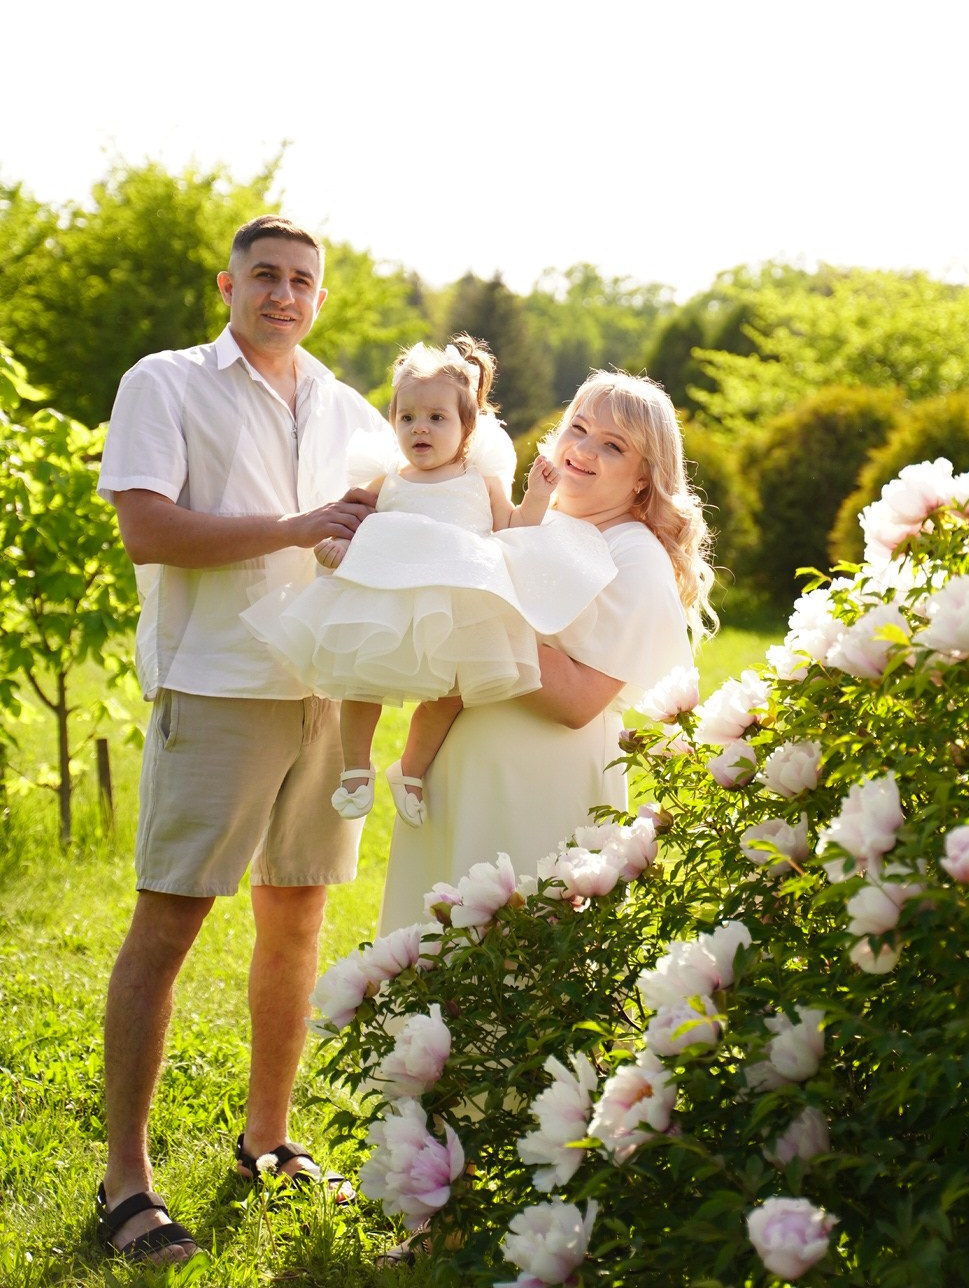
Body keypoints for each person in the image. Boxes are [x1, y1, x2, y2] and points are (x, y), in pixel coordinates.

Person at [94, 215, 389, 1264]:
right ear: (228, 282)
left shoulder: (354, 411)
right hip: (216, 684)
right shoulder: (166, 382)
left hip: (324, 690)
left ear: (321, 296)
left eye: (303, 279)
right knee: (167, 925)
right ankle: (125, 1181)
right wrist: (298, 525)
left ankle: (266, 1138)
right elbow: (148, 526)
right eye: (265, 274)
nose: (283, 292)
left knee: (297, 918)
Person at [377, 369, 714, 935]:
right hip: (457, 775)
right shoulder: (536, 522)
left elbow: (579, 700)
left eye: (613, 446)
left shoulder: (635, 556)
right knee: (433, 969)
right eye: (577, 429)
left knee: (511, 970)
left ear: (642, 479)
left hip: (537, 789)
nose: (583, 451)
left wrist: (478, 610)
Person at [241, 335, 618, 828]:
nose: (420, 428)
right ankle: (355, 767)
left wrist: (538, 495)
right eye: (407, 417)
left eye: (437, 418)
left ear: (466, 428)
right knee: (361, 683)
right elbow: (347, 523)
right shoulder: (387, 478)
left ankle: (412, 769)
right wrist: (335, 549)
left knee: (449, 694)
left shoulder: (477, 481)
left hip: (454, 604)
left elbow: (515, 533)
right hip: (383, 597)